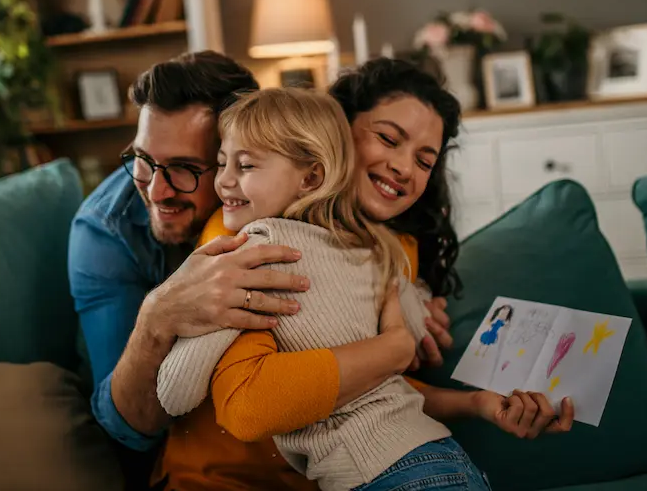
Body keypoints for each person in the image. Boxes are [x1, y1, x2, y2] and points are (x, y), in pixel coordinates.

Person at [68, 51, 456, 491]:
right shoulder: (116, 229)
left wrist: (413, 310)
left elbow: (379, 393)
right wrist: (159, 315)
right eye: (144, 160)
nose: (157, 189)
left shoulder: (380, 242)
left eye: (188, 169)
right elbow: (137, 424)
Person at [157, 87, 491, 490]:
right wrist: (417, 305)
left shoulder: (253, 249)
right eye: (223, 162)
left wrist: (183, 311)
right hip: (443, 460)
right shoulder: (376, 248)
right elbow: (411, 337)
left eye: (245, 166)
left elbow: (173, 395)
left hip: (389, 476)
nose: (224, 181)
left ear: (312, 176)